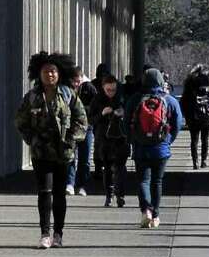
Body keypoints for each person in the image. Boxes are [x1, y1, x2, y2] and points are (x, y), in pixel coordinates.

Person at [15, 54, 88, 247]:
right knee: (44, 192)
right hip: (41, 153)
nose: (50, 74)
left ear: (60, 73)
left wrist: (72, 139)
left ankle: (58, 233)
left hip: (63, 153)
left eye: (53, 71)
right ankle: (45, 232)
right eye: (46, 71)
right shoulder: (32, 97)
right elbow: (20, 121)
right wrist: (32, 139)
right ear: (38, 74)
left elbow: (82, 120)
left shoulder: (68, 94)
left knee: (59, 193)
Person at [129, 66, 183, 228]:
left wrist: (133, 139)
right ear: (161, 81)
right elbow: (178, 123)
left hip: (140, 147)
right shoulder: (170, 100)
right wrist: (168, 140)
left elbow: (126, 122)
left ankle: (146, 209)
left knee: (143, 180)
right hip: (161, 148)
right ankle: (156, 215)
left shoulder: (135, 99)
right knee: (157, 182)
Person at [91, 71, 131, 207]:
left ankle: (120, 195)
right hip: (104, 138)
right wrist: (102, 114)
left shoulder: (123, 98)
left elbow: (131, 116)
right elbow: (91, 119)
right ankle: (109, 195)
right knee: (107, 168)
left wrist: (122, 114)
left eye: (113, 89)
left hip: (120, 138)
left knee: (120, 168)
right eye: (108, 90)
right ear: (102, 88)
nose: (111, 92)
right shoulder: (97, 100)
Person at [67, 69, 99, 196]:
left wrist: (81, 110)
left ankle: (82, 185)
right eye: (73, 81)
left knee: (84, 158)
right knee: (70, 156)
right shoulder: (67, 89)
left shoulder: (89, 88)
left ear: (81, 78)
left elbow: (96, 106)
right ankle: (70, 183)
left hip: (87, 128)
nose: (76, 84)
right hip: (71, 128)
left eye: (77, 81)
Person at [180, 63, 209, 169]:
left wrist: (186, 116)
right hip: (207, 116)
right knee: (205, 139)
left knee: (194, 140)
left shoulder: (190, 85)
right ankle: (204, 161)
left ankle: (195, 162)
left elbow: (183, 102)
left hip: (193, 116)